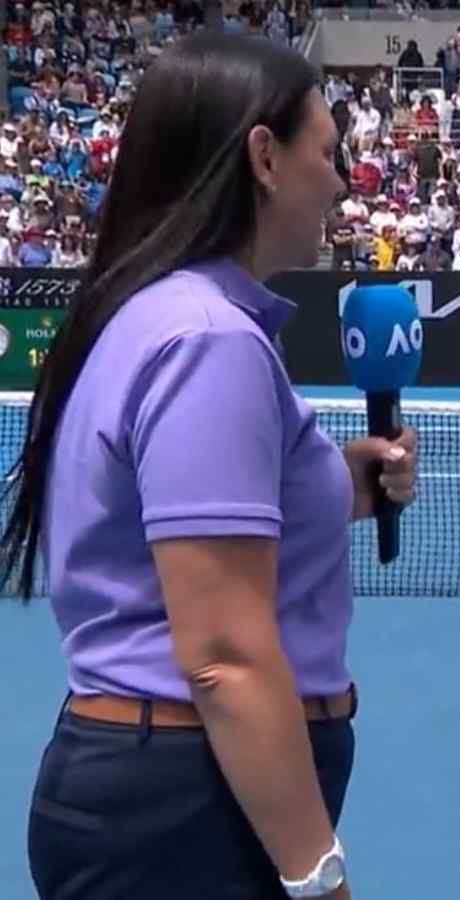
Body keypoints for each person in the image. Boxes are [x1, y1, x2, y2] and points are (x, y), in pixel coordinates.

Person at [0, 32, 419, 900]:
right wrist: (318, 877)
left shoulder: (157, 312)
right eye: (330, 155)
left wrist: (347, 480)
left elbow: (181, 522)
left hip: (169, 796)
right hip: (188, 816)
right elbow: (225, 655)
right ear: (265, 157)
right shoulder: (208, 344)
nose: (342, 186)